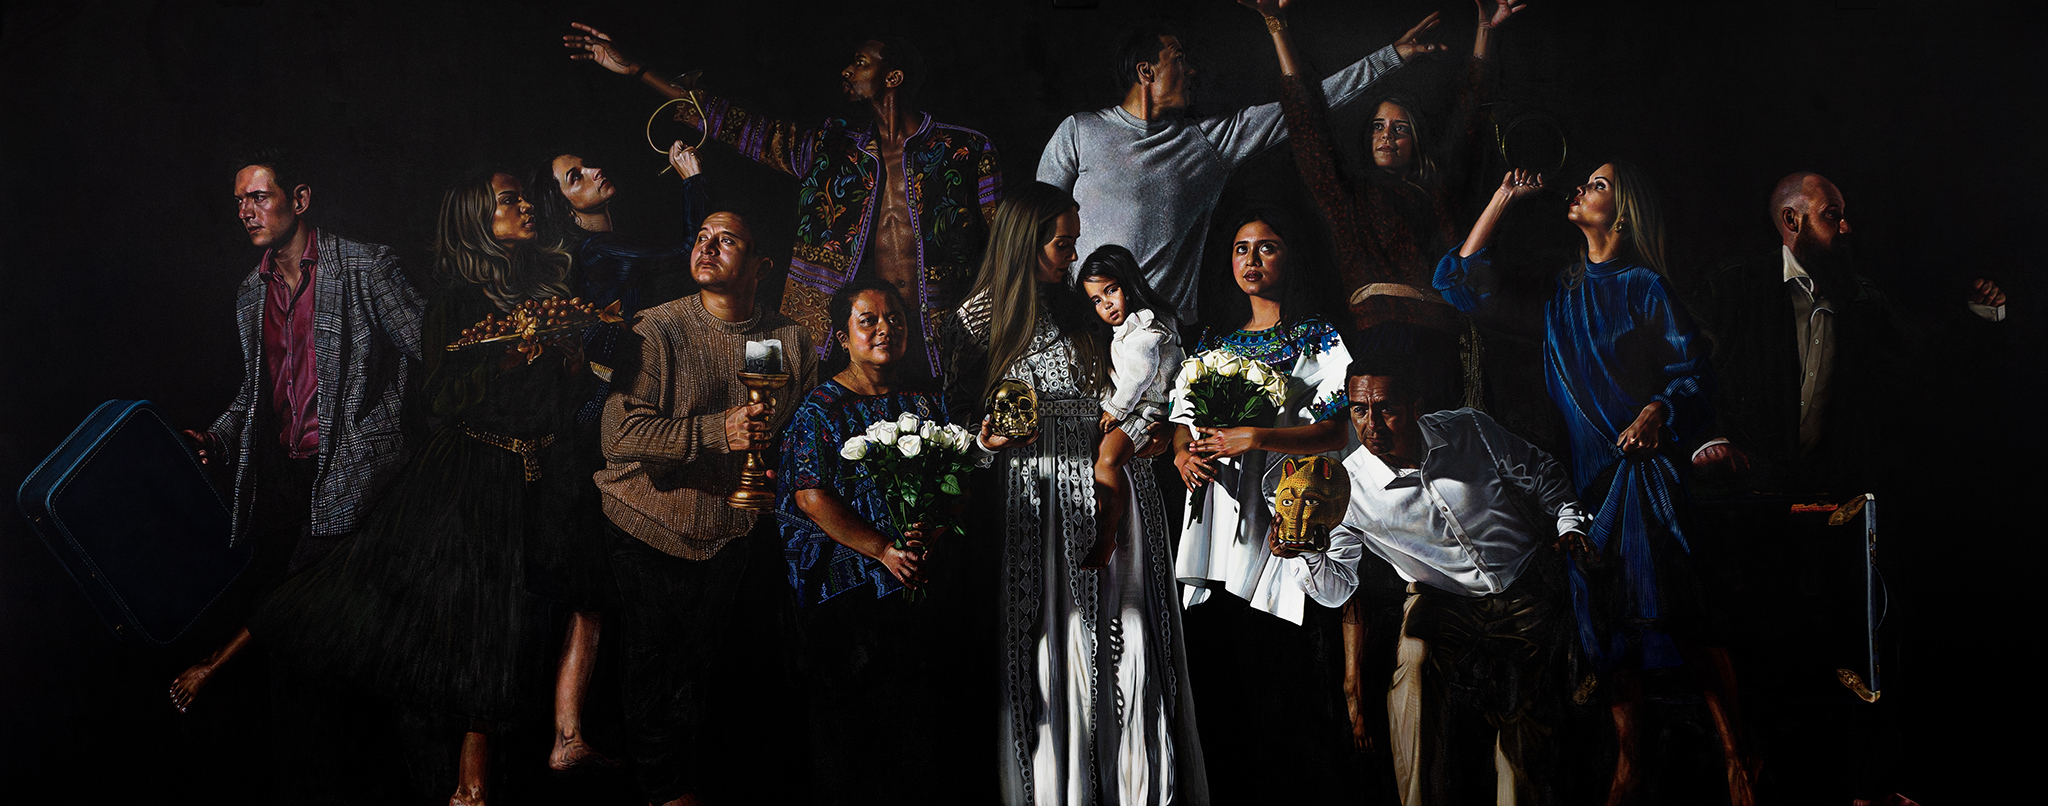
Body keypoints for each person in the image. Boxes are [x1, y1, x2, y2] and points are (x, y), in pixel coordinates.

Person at [247, 167, 595, 806]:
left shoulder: (542, 292)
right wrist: (504, 361)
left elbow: (558, 400)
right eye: (509, 200)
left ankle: (546, 745)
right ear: (475, 219)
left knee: (559, 603)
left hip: (542, 476)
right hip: (475, 476)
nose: (525, 207)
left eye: (523, 198)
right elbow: (440, 397)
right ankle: (466, 783)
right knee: (475, 626)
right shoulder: (456, 303)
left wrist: (571, 365)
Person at [1435, 163, 1753, 806]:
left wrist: (1657, 410)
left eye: (1599, 184)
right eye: (1583, 182)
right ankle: (1630, 757)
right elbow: (1458, 283)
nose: (1580, 188)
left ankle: (1737, 752)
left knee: (1676, 602)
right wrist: (1503, 195)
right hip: (1586, 484)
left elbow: (1694, 374)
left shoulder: (1644, 287)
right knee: (1603, 619)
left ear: (1624, 213)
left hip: (1646, 474)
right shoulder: (1559, 291)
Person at [937, 181, 1204, 805]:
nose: (1074, 254)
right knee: (1052, 643)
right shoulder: (974, 321)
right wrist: (988, 439)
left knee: (1129, 639)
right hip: (1035, 494)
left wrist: (1152, 433)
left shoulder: (1087, 305)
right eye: (1063, 243)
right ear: (1026, 242)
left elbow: (1147, 380)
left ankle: (1138, 787)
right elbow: (955, 430)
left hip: (1115, 483)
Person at [564, 25, 999, 383]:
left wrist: (983, 327)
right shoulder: (831, 145)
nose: (847, 71)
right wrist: (636, 69)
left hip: (936, 340)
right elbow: (737, 124)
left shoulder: (965, 150)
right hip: (832, 340)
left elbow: (1006, 246)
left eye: (861, 63)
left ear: (894, 77)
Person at [168, 148, 425, 712]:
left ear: (300, 199)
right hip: (286, 477)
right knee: (303, 626)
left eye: (259, 197)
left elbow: (433, 353)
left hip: (360, 471)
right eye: (240, 201)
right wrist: (216, 438)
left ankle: (215, 663)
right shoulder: (250, 293)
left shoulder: (366, 267)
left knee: (306, 594)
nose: (246, 211)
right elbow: (255, 394)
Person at [1279, 352, 1587, 805]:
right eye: (1359, 410)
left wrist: (1569, 523)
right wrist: (1307, 553)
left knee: (1523, 734)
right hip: (1440, 600)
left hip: (1524, 587)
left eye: (1386, 408)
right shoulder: (1348, 487)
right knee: (1416, 661)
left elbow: (1542, 473)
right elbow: (1336, 590)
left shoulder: (1468, 429)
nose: (1372, 425)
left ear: (1415, 406)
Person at [595, 208, 816, 806]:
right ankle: (666, 793)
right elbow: (618, 437)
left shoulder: (792, 339)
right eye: (701, 237)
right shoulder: (656, 329)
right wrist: (720, 431)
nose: (707, 247)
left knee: (722, 674)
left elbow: (796, 431)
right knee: (657, 673)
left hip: (736, 527)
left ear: (762, 266)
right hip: (650, 520)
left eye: (727, 240)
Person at [1036, 8, 1445, 323]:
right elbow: (1032, 231)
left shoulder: (1208, 142)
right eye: (1178, 59)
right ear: (1146, 71)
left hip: (1165, 338)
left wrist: (1391, 57)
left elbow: (1306, 104)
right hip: (1083, 327)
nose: (1191, 70)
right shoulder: (1080, 132)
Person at [774, 278, 1008, 803]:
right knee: (855, 734)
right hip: (847, 594)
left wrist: (933, 531)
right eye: (869, 321)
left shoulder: (924, 402)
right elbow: (811, 497)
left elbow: (958, 481)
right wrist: (883, 550)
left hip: (918, 587)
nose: (885, 329)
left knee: (920, 729)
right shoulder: (820, 409)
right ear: (842, 337)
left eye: (896, 319)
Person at [525, 142, 713, 772]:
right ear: (563, 206)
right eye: (574, 177)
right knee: (594, 583)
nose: (594, 172)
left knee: (597, 590)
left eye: (586, 164)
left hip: (611, 414)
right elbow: (690, 256)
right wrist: (693, 180)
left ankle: (572, 733)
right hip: (594, 423)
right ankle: (571, 735)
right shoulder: (595, 252)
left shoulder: (603, 246)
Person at [1251, 0, 1524, 409]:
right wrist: (1277, 25)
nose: (1387, 136)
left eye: (1400, 128)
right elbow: (1308, 125)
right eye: (1379, 126)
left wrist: (1486, 29)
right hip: (1384, 340)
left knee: (1450, 443)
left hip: (1448, 347)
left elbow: (1470, 117)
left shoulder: (1441, 192)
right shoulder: (1348, 197)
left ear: (1417, 139)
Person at [1167, 207, 1353, 801]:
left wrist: (1258, 437)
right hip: (1218, 520)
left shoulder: (1316, 335)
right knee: (1229, 680)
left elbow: (1338, 428)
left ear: (1290, 257)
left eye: (1267, 247)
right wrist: (1182, 455)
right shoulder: (1215, 342)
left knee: (1287, 673)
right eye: (1241, 248)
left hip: (1280, 511)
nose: (1252, 259)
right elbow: (1181, 418)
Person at [1689, 170, 2008, 494]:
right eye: (1832, 215)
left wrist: (1979, 315)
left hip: (1830, 495)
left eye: (1843, 216)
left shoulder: (1864, 300)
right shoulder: (1733, 285)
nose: (1845, 227)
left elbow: (1922, 362)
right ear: (1791, 220)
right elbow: (1684, 368)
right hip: (1741, 489)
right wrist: (1708, 439)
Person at [1078, 244, 1184, 564]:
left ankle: (1106, 538)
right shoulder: (1123, 330)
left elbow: (1140, 373)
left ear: (1128, 283)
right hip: (1136, 408)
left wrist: (1116, 409)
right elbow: (1117, 376)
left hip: (1146, 411)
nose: (1107, 304)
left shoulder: (1144, 326)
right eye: (1097, 300)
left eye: (1111, 290)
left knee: (1106, 462)